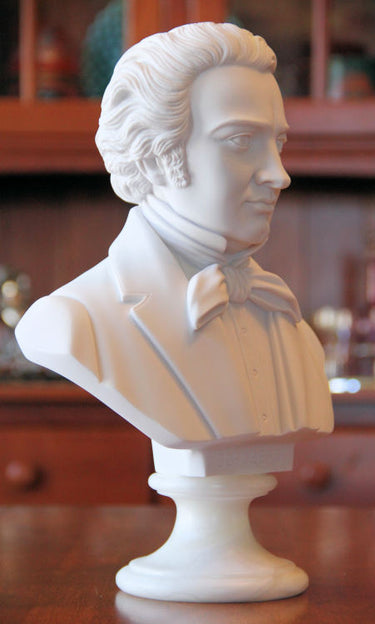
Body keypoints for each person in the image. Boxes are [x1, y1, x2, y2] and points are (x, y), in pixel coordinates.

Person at [16, 22, 333, 476]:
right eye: (241, 141)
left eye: (278, 142)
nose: (279, 174)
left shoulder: (287, 322)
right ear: (156, 155)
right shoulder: (73, 323)